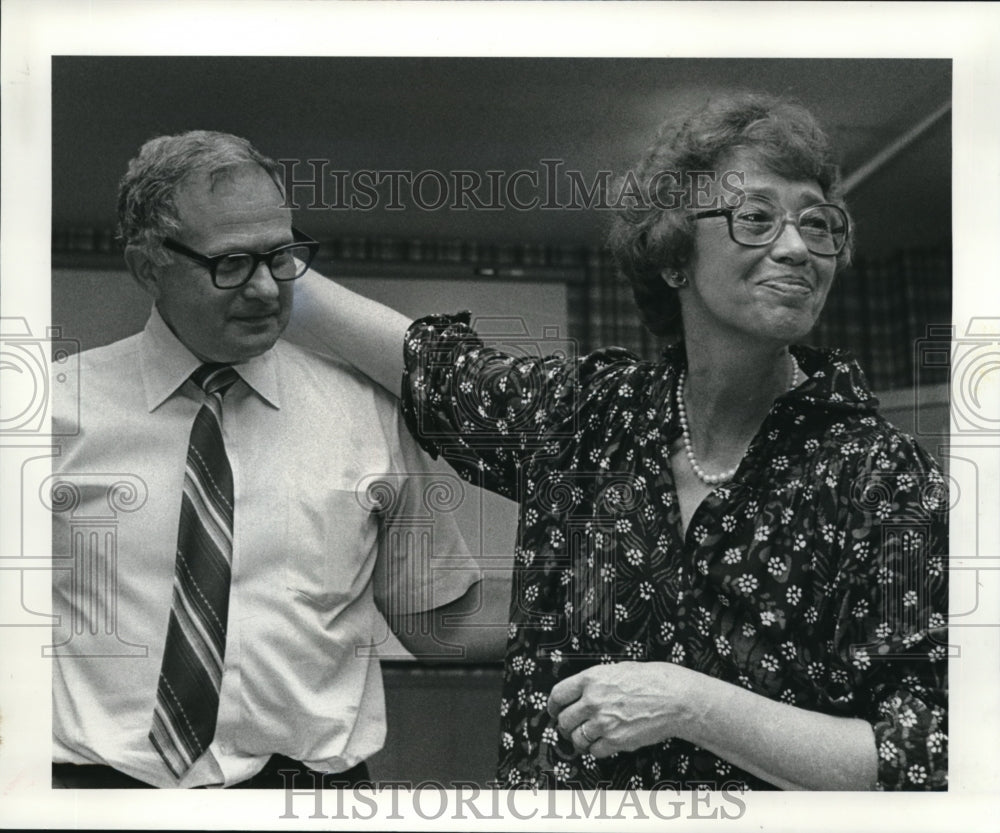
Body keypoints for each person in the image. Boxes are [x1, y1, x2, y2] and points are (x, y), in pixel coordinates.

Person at [286, 92, 948, 791]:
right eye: (757, 218)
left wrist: (688, 702)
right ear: (673, 258)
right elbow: (434, 367)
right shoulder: (597, 419)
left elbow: (921, 755)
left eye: (819, 225)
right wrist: (268, 266)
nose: (795, 247)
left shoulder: (880, 475)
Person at [50, 130, 485, 789]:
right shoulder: (46, 413)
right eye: (230, 263)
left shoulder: (367, 411)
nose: (264, 290)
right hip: (93, 792)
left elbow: (435, 620)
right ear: (147, 266)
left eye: (281, 258)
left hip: (309, 795)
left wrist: (631, 601)